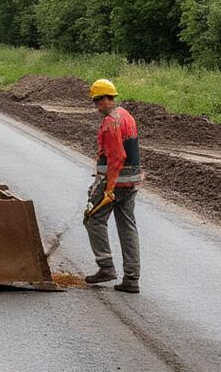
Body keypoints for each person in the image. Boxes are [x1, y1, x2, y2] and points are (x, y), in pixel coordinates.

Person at [83, 78, 142, 293]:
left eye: (97, 101)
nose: (97, 106)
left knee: (92, 219)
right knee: (127, 227)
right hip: (131, 180)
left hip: (115, 182)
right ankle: (132, 279)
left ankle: (106, 266)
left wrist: (108, 188)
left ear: (104, 99)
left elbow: (117, 157)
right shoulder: (126, 115)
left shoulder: (111, 122)